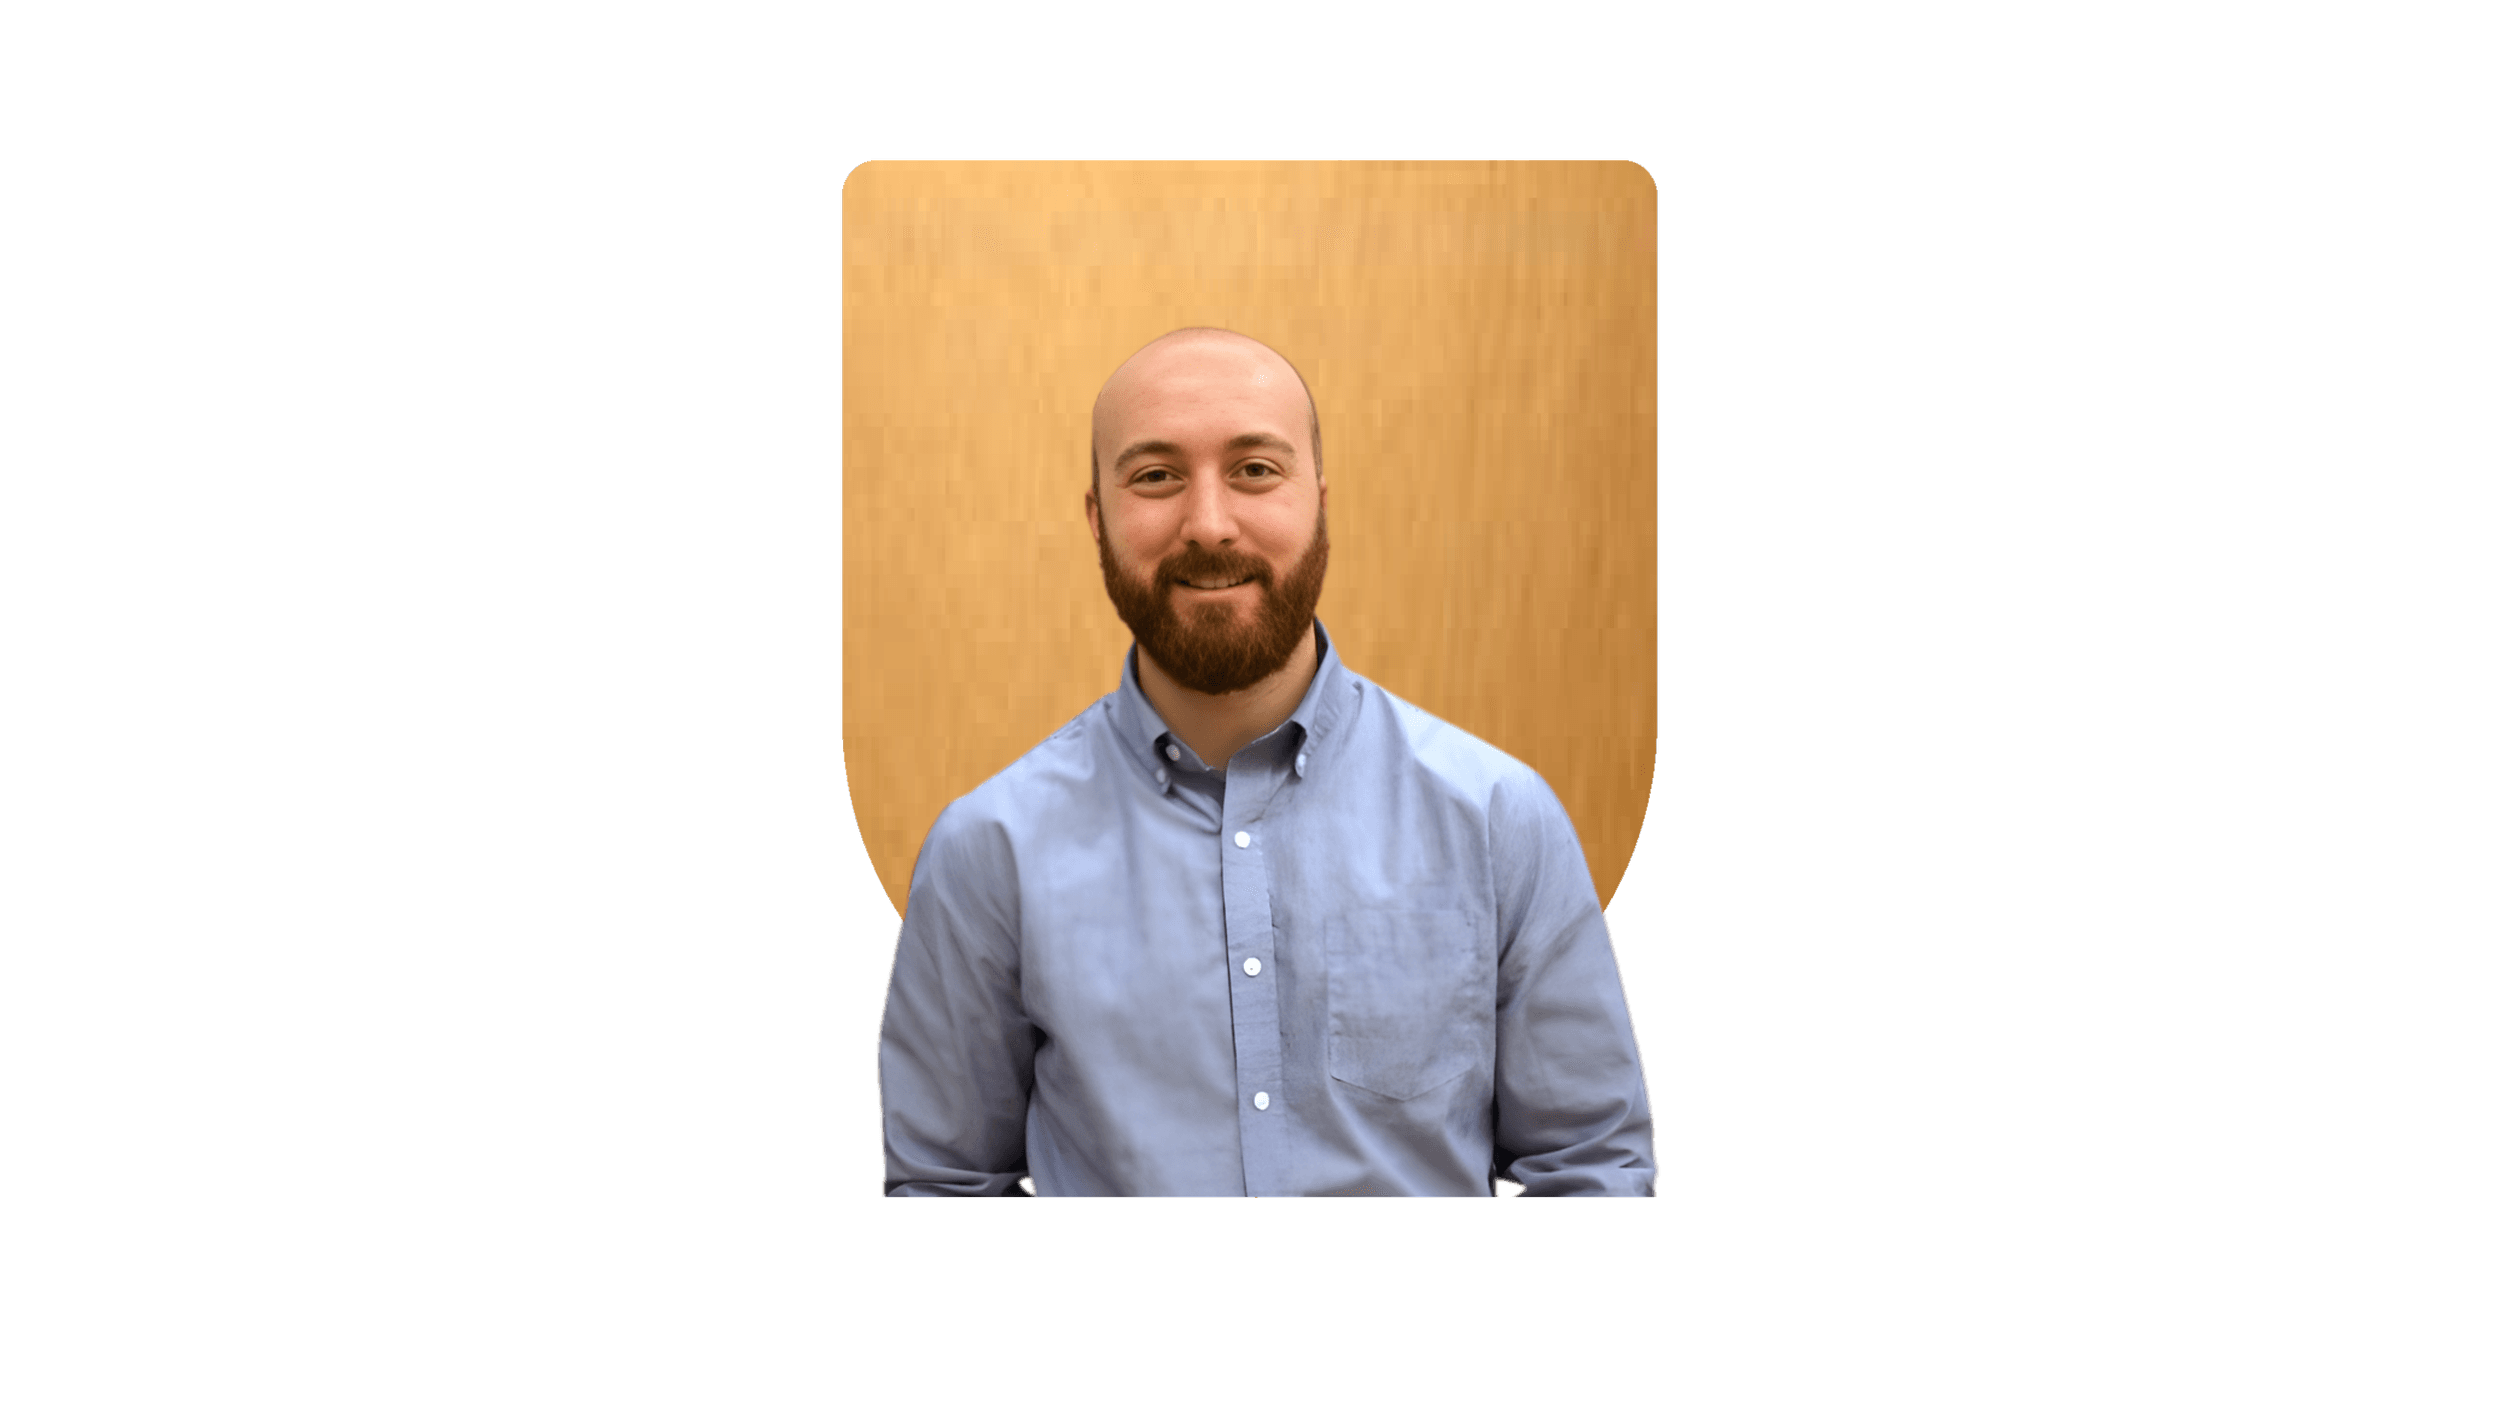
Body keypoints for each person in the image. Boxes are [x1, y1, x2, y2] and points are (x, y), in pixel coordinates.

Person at [876, 327, 1656, 1196]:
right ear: (1096, 518)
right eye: (1156, 476)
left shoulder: (1498, 817)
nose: (1209, 525)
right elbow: (943, 1188)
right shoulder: (990, 850)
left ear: (1319, 501)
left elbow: (1591, 1168)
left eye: (1254, 469)